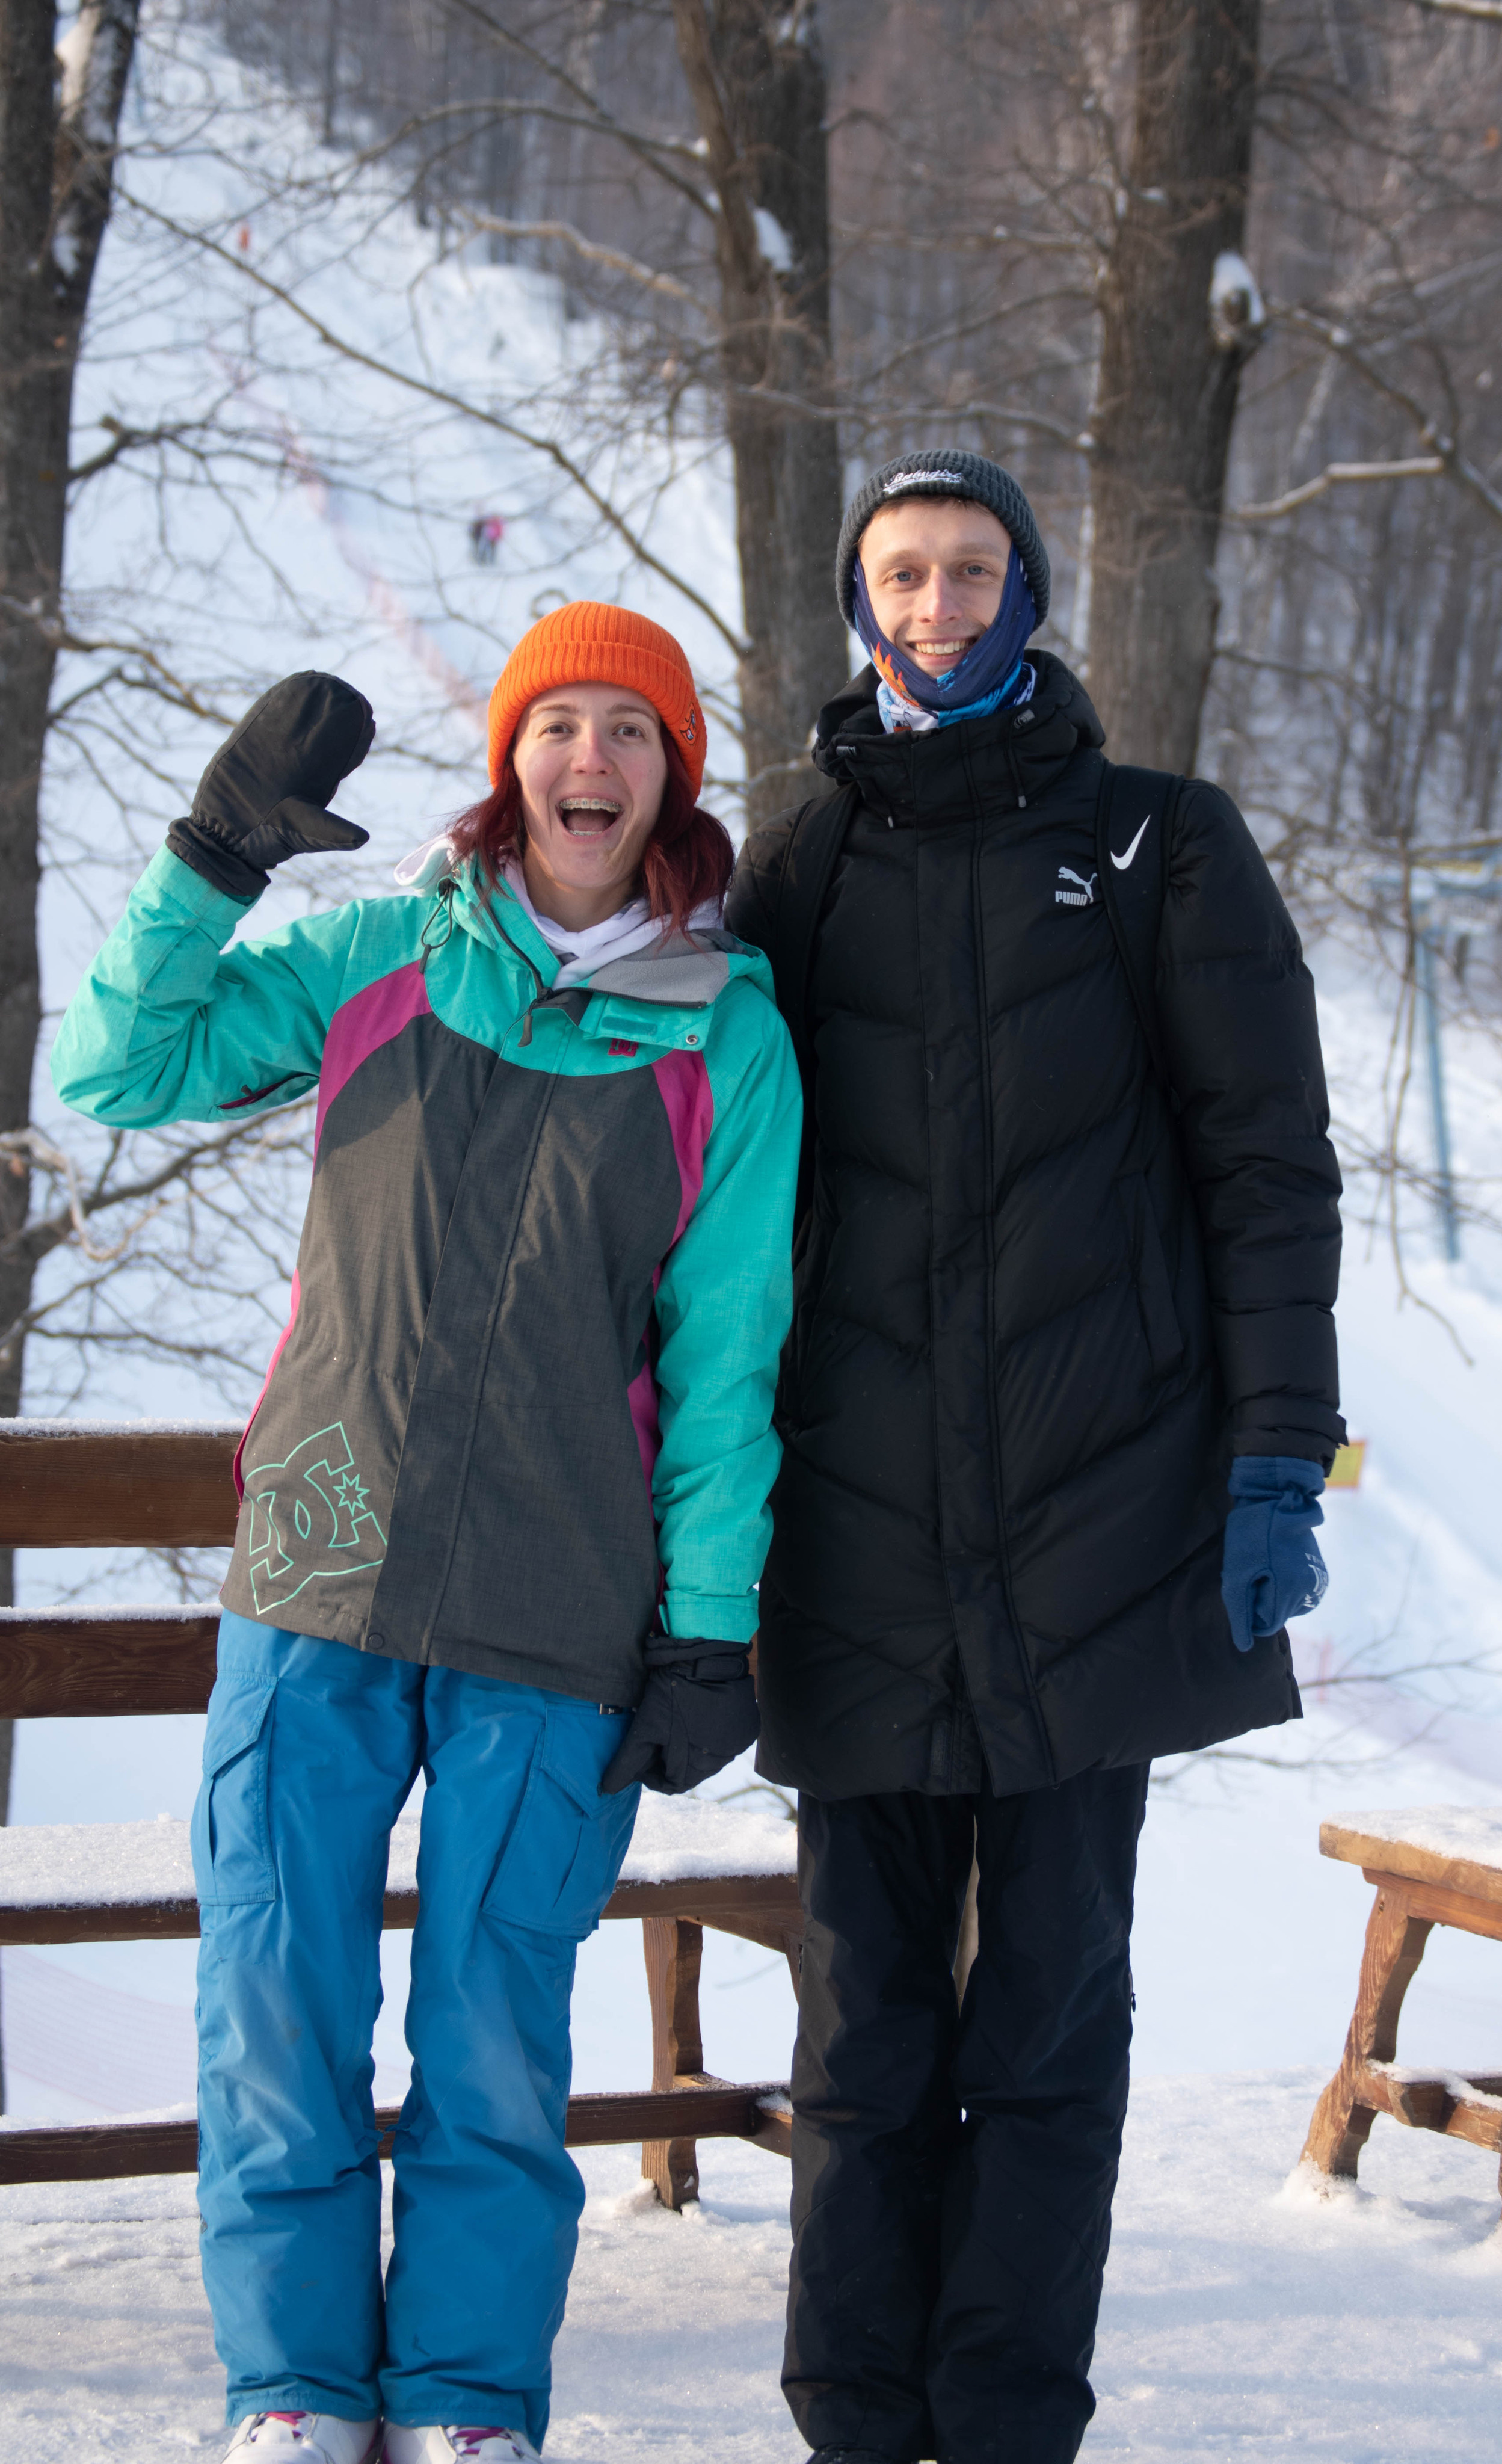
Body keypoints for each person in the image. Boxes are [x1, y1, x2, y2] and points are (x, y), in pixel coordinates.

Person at [52, 603, 801, 2464]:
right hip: (318, 1570)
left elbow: (726, 1362)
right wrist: (212, 861)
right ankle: (295, 2388)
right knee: (275, 1995)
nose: (588, 759)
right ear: (509, 761)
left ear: (671, 778)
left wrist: (710, 1625)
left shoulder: (729, 1038)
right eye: (557, 724)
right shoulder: (382, 959)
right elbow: (120, 1069)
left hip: (560, 1608)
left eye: (629, 730)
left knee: (490, 2029)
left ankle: (467, 2402)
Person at [725, 449, 1343, 2464]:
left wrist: (1275, 1450)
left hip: (1101, 1521)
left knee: (1053, 2016)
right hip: (855, 1539)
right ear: (860, 603)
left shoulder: (1163, 842)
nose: (940, 603)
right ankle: (852, 2416)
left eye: (974, 568)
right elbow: (708, 1190)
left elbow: (1265, 1170)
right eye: (904, 573)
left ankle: (1001, 2425)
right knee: (865, 2024)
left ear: (1029, 591)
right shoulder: (798, 871)